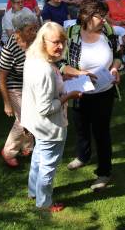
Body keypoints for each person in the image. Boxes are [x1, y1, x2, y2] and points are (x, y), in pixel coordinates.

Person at [61, 0, 121, 191]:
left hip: (104, 91)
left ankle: (104, 172)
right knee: (81, 127)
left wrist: (115, 69)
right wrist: (80, 73)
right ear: (87, 16)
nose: (104, 20)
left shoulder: (108, 32)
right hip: (79, 90)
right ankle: (82, 156)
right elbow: (60, 63)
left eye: (105, 16)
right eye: (100, 16)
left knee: (102, 132)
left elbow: (119, 56)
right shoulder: (71, 33)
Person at [22, 22, 81, 212]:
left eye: (63, 41)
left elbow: (41, 92)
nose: (61, 46)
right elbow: (46, 107)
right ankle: (44, 203)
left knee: (38, 157)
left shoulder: (34, 58)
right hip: (49, 126)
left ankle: (33, 192)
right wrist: (69, 96)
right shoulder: (45, 70)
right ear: (43, 41)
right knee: (48, 166)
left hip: (36, 124)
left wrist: (63, 81)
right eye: (56, 42)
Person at [0, 12, 39, 167]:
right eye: (30, 30)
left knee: (31, 116)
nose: (34, 32)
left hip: (33, 85)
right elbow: (1, 77)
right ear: (18, 31)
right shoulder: (10, 48)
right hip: (15, 86)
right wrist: (7, 103)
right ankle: (8, 151)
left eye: (35, 28)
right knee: (25, 119)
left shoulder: (35, 41)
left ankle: (27, 147)